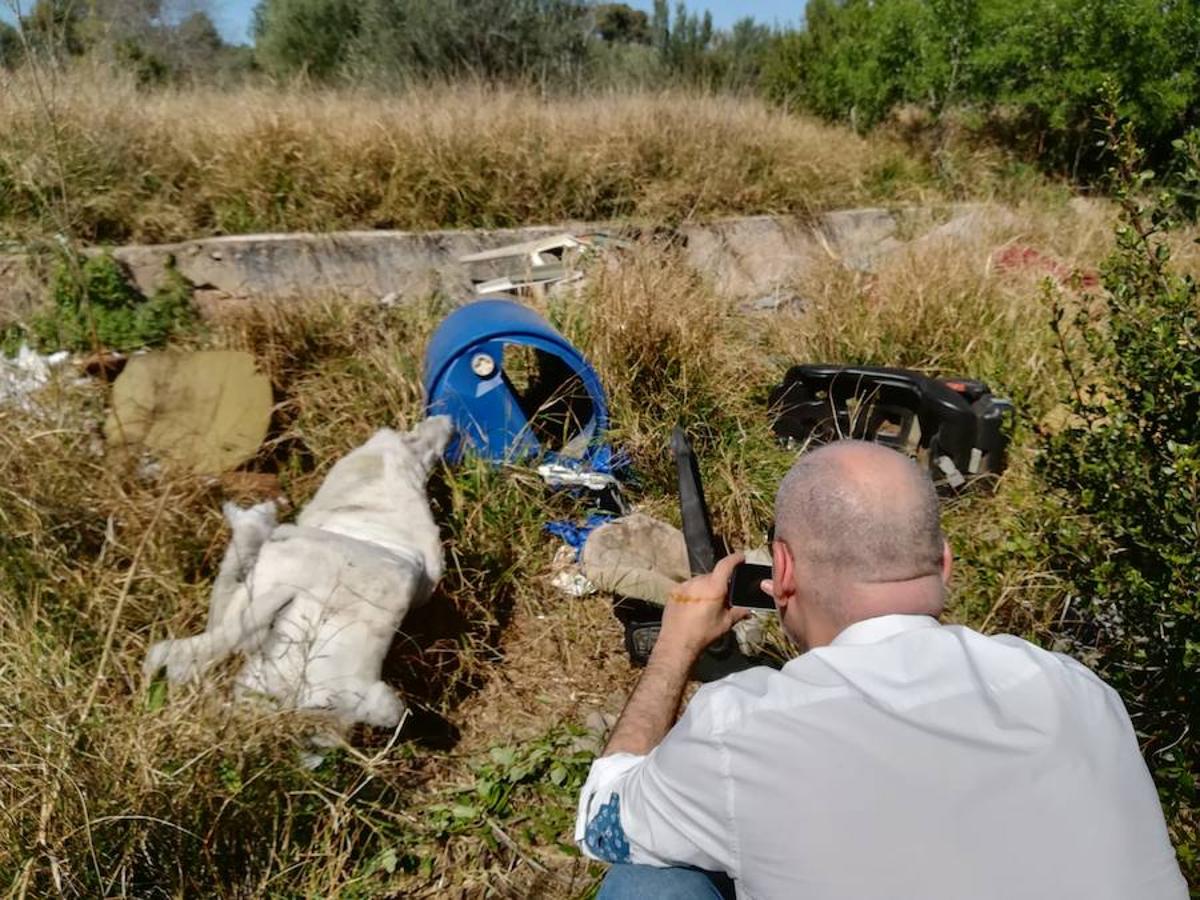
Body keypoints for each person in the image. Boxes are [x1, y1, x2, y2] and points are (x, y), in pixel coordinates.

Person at [574, 440, 1186, 900]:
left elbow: (599, 822)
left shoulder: (744, 727)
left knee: (648, 880)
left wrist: (675, 648)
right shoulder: (1074, 688)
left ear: (780, 572)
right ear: (944, 564)